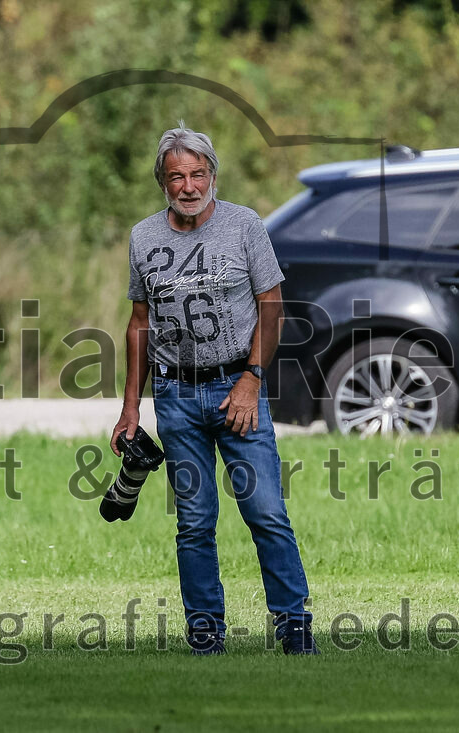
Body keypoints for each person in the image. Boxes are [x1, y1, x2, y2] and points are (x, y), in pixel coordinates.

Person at [111, 124, 317, 656]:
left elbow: (272, 306)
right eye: (176, 176)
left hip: (236, 389)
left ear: (213, 176)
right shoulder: (144, 237)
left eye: (197, 173)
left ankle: (294, 627)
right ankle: (205, 633)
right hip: (176, 396)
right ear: (162, 181)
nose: (188, 185)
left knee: (266, 511)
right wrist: (131, 406)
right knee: (195, 523)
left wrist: (251, 378)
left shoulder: (244, 225)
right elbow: (139, 323)